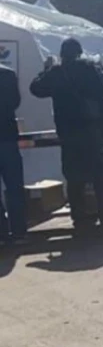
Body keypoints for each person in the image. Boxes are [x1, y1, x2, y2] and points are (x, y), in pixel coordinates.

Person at [29, 38, 103, 233]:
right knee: (100, 176)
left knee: (74, 177)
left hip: (68, 132)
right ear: (79, 52)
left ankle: (80, 219)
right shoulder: (91, 68)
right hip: (92, 130)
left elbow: (35, 88)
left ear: (62, 54)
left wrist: (46, 68)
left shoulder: (57, 72)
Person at [0, 63, 26, 244]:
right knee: (15, 188)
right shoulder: (8, 74)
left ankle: (1, 233)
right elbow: (16, 102)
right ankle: (19, 232)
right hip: (7, 136)